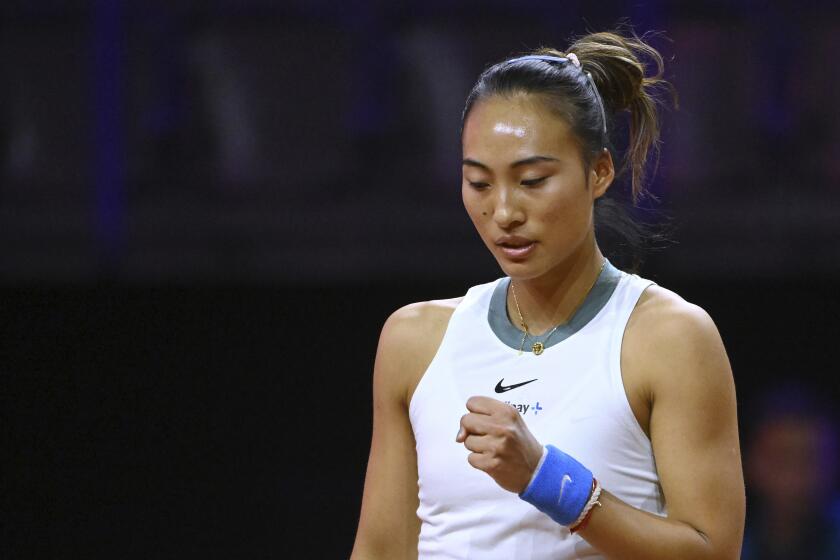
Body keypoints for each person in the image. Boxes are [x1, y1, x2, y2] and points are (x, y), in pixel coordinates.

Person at [351, 29, 745, 560]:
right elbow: (381, 548)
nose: (505, 212)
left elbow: (713, 551)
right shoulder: (413, 340)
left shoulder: (670, 337)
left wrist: (547, 480)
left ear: (600, 171)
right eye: (480, 183)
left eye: (532, 180)